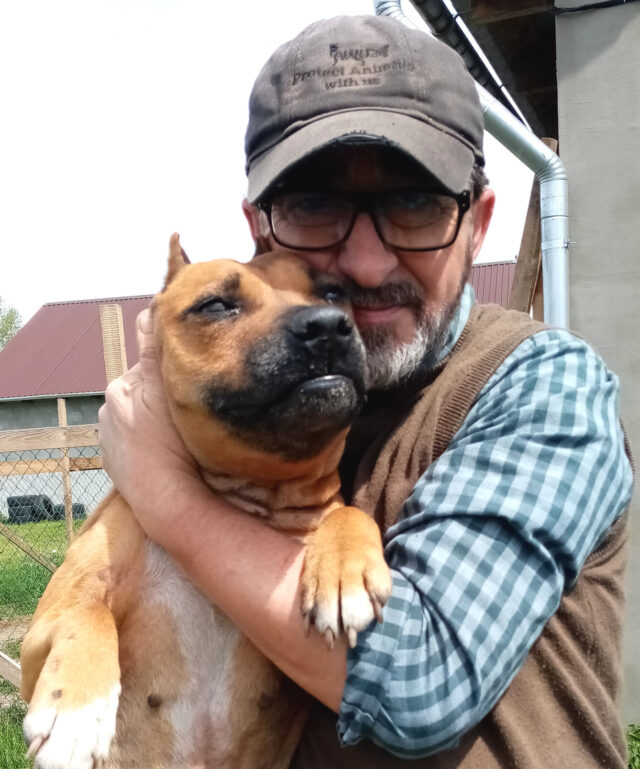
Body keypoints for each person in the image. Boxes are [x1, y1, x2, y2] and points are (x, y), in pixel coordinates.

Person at [98, 14, 634, 768]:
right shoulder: (246, 412)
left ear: (476, 223)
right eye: (316, 205)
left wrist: (164, 490)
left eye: (414, 203)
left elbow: (421, 681)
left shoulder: (543, 388)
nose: (367, 260)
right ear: (260, 227)